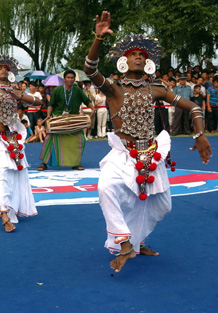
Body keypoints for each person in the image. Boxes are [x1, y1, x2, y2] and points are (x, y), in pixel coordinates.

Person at [84, 11, 212, 273]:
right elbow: (89, 69)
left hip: (150, 153)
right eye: (133, 54)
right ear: (124, 60)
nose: (139, 57)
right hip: (122, 153)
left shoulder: (157, 89)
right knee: (106, 188)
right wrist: (98, 38)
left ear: (148, 62)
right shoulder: (113, 87)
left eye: (143, 54)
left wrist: (200, 134)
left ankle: (138, 241)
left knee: (158, 204)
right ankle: (123, 242)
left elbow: (194, 108)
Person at [0, 54, 39, 232]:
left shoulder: (13, 90)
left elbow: (39, 102)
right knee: (2, 173)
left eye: (6, 67)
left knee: (15, 175)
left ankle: (9, 207)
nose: (3, 69)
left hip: (13, 138)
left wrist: (20, 95)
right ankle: (5, 212)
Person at [38, 69, 94, 171]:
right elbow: (51, 105)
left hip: (73, 119)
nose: (70, 79)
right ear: (64, 79)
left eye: (72, 78)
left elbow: (86, 100)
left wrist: (93, 109)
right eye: (68, 77)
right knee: (50, 139)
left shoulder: (77, 90)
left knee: (80, 138)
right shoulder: (57, 90)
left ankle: (76, 163)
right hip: (58, 119)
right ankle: (44, 163)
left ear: (74, 79)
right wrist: (49, 115)